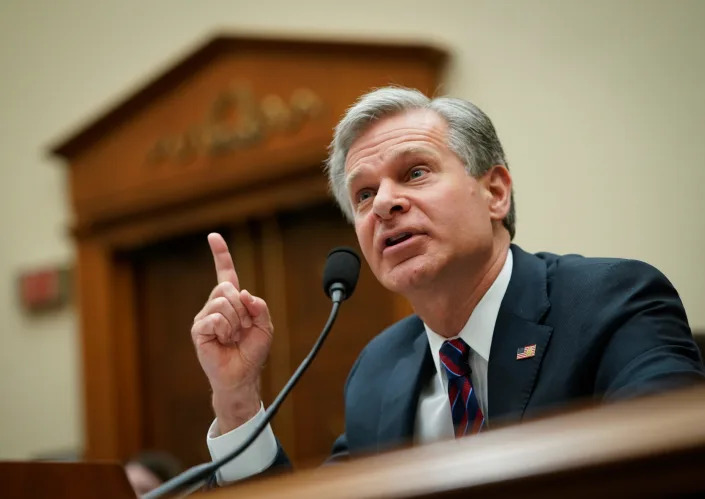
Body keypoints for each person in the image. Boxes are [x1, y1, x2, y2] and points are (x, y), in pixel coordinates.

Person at [191, 87, 705, 484]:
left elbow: (669, 465)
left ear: (495, 192)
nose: (385, 204)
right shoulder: (378, 372)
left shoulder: (612, 302)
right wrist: (236, 398)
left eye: (414, 173)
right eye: (364, 194)